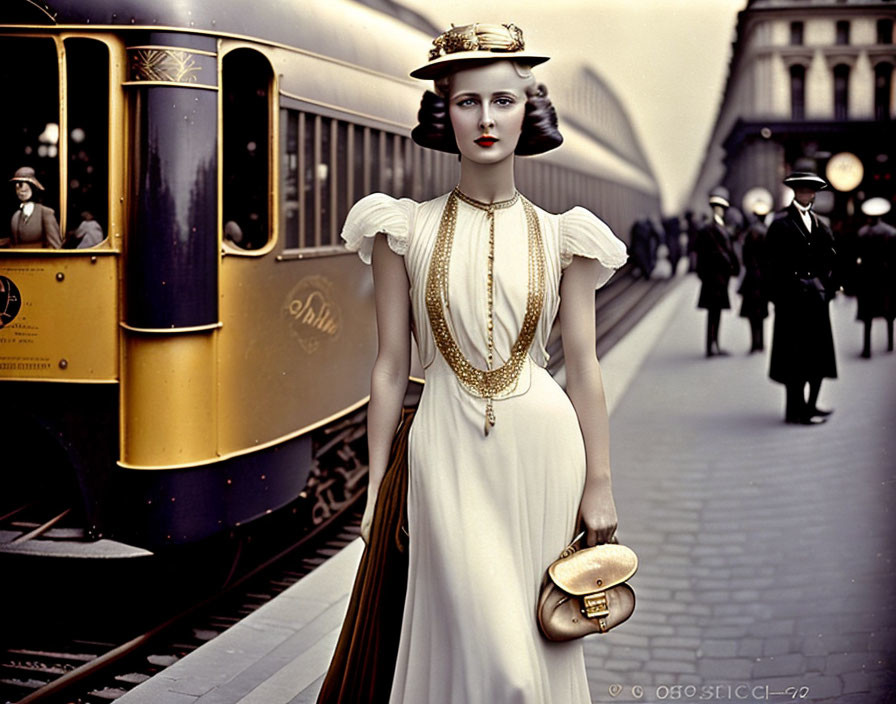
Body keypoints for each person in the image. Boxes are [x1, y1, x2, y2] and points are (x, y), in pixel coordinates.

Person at [335, 23, 628, 703]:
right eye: (469, 101)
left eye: (503, 100)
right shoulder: (399, 229)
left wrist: (602, 482)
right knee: (499, 661)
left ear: (530, 111)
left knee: (533, 645)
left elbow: (582, 368)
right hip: (443, 450)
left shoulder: (567, 236)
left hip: (544, 453)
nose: (487, 119)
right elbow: (388, 366)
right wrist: (379, 485)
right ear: (445, 111)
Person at [765, 171, 837, 425]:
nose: (809, 194)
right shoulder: (781, 223)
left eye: (812, 190)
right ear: (796, 192)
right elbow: (770, 264)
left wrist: (830, 288)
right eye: (804, 190)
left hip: (816, 300)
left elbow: (832, 257)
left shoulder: (819, 223)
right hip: (792, 301)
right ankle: (795, 410)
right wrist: (779, 296)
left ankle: (811, 405)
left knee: (817, 356)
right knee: (794, 358)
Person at [695, 188, 740, 357]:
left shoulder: (715, 227)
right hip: (714, 277)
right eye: (717, 207)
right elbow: (708, 253)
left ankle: (714, 344)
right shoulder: (710, 229)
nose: (719, 210)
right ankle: (711, 346)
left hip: (717, 277)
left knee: (716, 312)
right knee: (714, 312)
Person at [855, 197, 896, 357]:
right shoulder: (890, 233)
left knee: (868, 315)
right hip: (884, 278)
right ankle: (890, 343)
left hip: (868, 278)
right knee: (888, 313)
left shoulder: (863, 233)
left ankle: (867, 348)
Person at [738, 195, 773, 353]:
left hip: (752, 278)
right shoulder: (765, 232)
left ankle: (755, 342)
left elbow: (744, 257)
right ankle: (759, 342)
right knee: (760, 312)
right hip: (762, 278)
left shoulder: (750, 232)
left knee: (754, 313)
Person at [2, 166, 61, 249]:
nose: (19, 187)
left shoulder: (45, 213)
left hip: (41, 260)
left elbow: (55, 247)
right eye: (17, 183)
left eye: (23, 183)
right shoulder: (16, 216)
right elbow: (13, 246)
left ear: (32, 186)